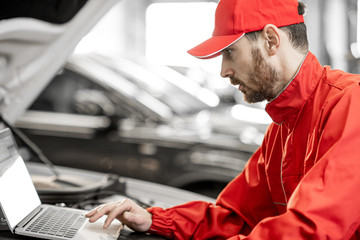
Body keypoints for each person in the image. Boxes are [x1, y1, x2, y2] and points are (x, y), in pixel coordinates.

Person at [86, 0, 360, 239]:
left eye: (230, 52)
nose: (223, 71)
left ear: (271, 40)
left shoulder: (350, 104)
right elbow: (237, 217)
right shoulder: (283, 124)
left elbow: (311, 230)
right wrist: (154, 219)